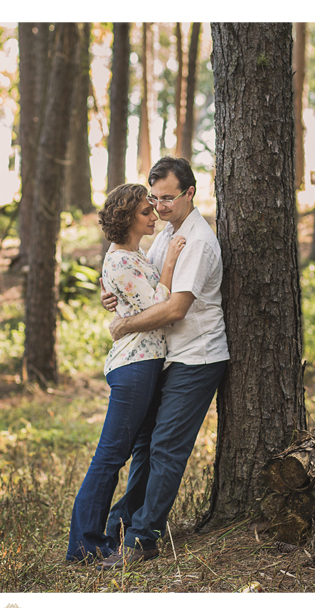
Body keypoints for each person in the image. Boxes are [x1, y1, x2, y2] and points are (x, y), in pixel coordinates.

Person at [96, 156, 229, 570]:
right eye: (153, 199)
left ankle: (143, 539)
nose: (159, 207)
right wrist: (114, 293)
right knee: (144, 446)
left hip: (197, 356)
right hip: (166, 356)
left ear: (190, 193)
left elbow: (174, 309)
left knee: (166, 448)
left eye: (168, 198)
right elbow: (149, 285)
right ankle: (122, 524)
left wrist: (123, 325)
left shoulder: (199, 241)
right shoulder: (166, 233)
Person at [65, 183, 186, 563]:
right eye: (145, 213)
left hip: (146, 365)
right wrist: (169, 265)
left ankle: (120, 525)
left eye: (154, 210)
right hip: (133, 367)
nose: (153, 216)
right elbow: (157, 306)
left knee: (139, 450)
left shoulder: (133, 256)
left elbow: (132, 300)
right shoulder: (120, 259)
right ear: (126, 218)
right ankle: (84, 545)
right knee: (110, 456)